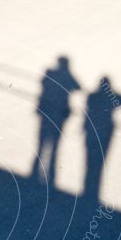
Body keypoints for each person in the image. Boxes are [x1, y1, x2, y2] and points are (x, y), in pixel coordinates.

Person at [32, 56, 80, 185]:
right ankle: (49, 177)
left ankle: (35, 173)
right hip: (57, 116)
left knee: (42, 145)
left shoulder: (51, 72)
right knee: (53, 147)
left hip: (48, 114)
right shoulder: (64, 76)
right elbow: (78, 87)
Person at [84, 76, 121, 207]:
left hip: (91, 133)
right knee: (99, 163)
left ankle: (87, 192)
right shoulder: (110, 98)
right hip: (105, 134)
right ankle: (93, 194)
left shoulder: (92, 96)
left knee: (89, 163)